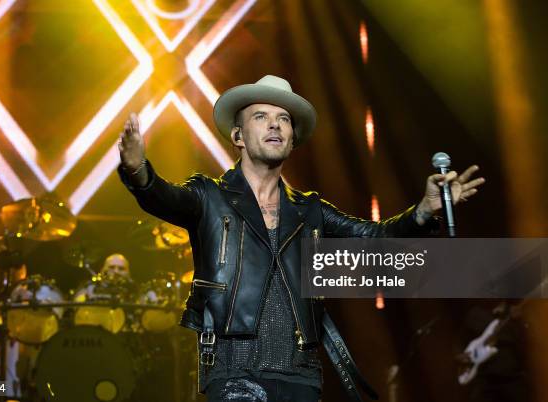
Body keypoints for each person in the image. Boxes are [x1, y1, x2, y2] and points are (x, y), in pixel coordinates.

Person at [117, 75, 485, 402]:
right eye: (261, 116)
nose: (275, 125)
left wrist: (424, 210)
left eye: (284, 120)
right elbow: (163, 196)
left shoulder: (309, 210)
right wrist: (137, 170)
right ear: (238, 136)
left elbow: (374, 237)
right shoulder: (209, 196)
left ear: (293, 139)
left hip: (301, 375)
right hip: (234, 373)